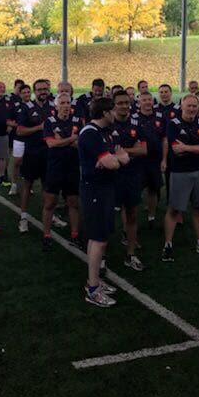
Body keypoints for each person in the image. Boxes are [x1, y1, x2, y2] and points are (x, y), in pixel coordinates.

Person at [77, 97, 127, 307]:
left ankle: (95, 281)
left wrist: (115, 160)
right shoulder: (90, 133)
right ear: (105, 113)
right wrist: (114, 160)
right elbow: (114, 161)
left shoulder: (106, 132)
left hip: (105, 188)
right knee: (99, 239)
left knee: (99, 237)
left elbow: (122, 157)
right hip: (94, 189)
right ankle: (93, 288)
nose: (117, 113)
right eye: (113, 110)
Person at [162, 94, 199, 261]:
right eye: (189, 106)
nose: (192, 109)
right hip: (179, 172)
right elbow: (176, 149)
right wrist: (196, 148)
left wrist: (187, 147)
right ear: (181, 106)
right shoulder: (173, 124)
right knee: (174, 210)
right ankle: (168, 244)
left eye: (194, 106)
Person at [111, 90, 147, 271]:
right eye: (120, 103)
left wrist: (121, 151)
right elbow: (107, 151)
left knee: (132, 213)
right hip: (111, 176)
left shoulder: (136, 122)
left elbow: (143, 150)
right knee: (107, 216)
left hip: (132, 175)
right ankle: (102, 255)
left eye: (127, 102)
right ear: (113, 105)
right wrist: (131, 149)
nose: (124, 106)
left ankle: (131, 254)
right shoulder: (108, 123)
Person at [41, 93, 83, 251]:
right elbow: (51, 144)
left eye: (68, 102)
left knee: (73, 202)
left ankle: (75, 234)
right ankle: (46, 235)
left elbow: (81, 144)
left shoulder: (78, 121)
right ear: (56, 105)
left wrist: (62, 140)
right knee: (50, 202)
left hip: (72, 168)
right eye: (62, 103)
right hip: (55, 168)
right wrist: (71, 139)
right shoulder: (49, 121)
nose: (66, 105)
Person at [15, 79, 53, 233]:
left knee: (48, 186)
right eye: (39, 89)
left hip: (49, 153)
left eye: (45, 89)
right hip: (32, 152)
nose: (43, 91)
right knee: (28, 184)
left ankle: (50, 214)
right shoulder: (27, 108)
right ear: (34, 91)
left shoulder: (53, 107)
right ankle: (23, 217)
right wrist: (39, 127)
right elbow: (20, 131)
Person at [134, 91, 166, 229]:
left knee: (153, 190)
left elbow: (165, 139)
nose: (147, 102)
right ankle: (132, 219)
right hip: (138, 161)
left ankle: (151, 216)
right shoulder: (133, 118)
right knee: (136, 190)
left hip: (155, 160)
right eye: (144, 100)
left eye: (149, 100)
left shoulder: (160, 117)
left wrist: (164, 159)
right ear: (139, 102)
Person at [9, 83, 32, 197]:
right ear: (20, 94)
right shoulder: (16, 106)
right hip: (19, 138)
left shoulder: (34, 106)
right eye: (24, 92)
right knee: (17, 162)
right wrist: (15, 125)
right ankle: (14, 184)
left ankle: (28, 186)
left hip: (32, 139)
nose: (27, 94)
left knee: (28, 162)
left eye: (28, 92)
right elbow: (8, 120)